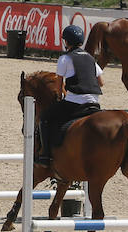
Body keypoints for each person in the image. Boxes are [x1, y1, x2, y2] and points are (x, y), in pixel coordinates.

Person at [36, 24, 103, 165]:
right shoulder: (91, 59)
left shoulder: (65, 59)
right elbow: (101, 83)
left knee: (44, 118)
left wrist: (59, 98)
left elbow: (59, 86)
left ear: (66, 42)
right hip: (94, 103)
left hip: (75, 103)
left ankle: (45, 155)